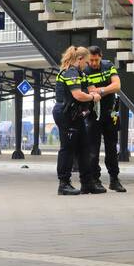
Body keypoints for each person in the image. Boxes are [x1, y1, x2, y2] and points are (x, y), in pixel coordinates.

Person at [53, 46, 98, 196]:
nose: (88, 64)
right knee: (68, 148)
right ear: (79, 59)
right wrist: (92, 97)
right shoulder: (70, 72)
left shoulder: (80, 73)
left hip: (75, 114)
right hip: (66, 113)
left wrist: (95, 93)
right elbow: (78, 95)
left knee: (84, 147)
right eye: (86, 61)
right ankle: (63, 184)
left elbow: (92, 88)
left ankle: (87, 183)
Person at [83, 46, 126, 193]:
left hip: (111, 113)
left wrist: (101, 90)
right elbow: (91, 91)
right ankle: (95, 180)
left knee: (112, 148)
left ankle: (114, 179)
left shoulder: (109, 66)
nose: (93, 63)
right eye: (91, 60)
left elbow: (117, 86)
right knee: (93, 150)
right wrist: (108, 87)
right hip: (93, 115)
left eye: (96, 60)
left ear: (101, 56)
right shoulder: (85, 70)